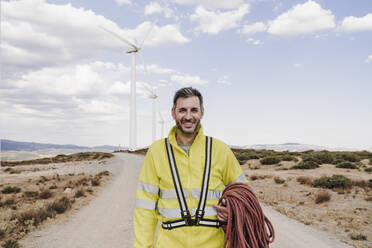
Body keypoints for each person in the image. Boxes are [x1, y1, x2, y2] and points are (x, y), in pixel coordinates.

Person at [133, 87, 247, 248]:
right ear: (173, 113)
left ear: (202, 113)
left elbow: (244, 194)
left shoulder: (219, 149)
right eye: (182, 110)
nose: (188, 116)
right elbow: (145, 207)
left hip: (215, 244)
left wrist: (233, 212)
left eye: (194, 110)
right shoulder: (156, 151)